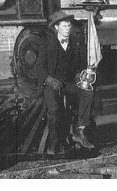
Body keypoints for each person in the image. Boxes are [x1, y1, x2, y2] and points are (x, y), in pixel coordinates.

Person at [34, 10, 96, 150]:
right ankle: (54, 143)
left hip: (68, 83)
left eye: (69, 26)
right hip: (51, 83)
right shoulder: (47, 43)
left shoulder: (77, 43)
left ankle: (80, 131)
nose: (67, 28)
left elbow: (81, 64)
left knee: (87, 93)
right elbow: (38, 68)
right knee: (55, 110)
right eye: (64, 26)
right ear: (56, 27)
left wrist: (80, 74)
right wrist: (49, 80)